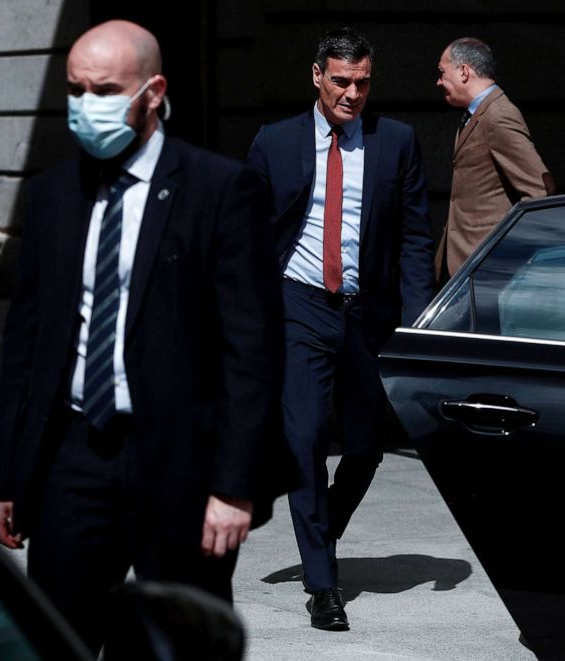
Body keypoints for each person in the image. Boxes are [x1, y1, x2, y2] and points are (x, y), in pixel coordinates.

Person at [0, 20, 291, 654]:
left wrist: (235, 487)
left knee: (180, 645)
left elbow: (251, 351)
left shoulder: (220, 190)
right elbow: (28, 340)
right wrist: (8, 475)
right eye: (74, 90)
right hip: (73, 458)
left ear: (153, 92)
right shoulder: (50, 196)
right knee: (53, 638)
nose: (84, 105)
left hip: (179, 463)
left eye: (103, 90)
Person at [247, 27, 435, 631]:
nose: (353, 93)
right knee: (303, 439)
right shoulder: (274, 142)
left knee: (365, 445)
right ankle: (323, 584)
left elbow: (413, 237)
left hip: (368, 314)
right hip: (298, 305)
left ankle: (318, 537)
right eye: (341, 81)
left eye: (363, 82)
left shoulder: (396, 142)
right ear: (317, 76)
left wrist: (416, 324)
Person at [435, 37, 554, 282]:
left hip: (486, 269)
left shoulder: (498, 114)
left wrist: (505, 254)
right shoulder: (476, 113)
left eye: (442, 73)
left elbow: (540, 189)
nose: (438, 82)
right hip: (467, 266)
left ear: (464, 72)